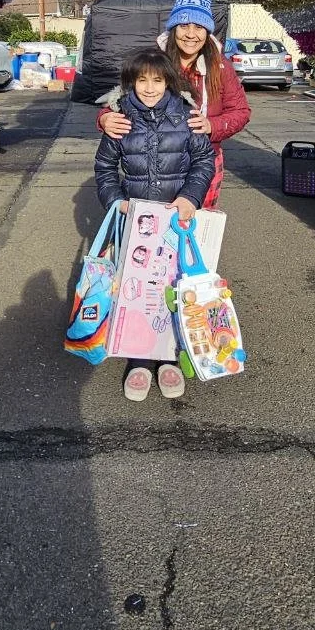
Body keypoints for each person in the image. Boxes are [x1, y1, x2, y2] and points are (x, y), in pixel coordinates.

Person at [95, 46, 215, 402]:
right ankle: (139, 359)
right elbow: (104, 169)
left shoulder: (186, 116)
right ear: (130, 83)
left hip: (176, 222)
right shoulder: (118, 119)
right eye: (142, 80)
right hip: (135, 225)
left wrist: (190, 198)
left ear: (169, 82)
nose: (149, 88)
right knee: (136, 292)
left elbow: (203, 162)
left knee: (174, 290)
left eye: (157, 80)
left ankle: (170, 357)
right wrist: (117, 202)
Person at [97, 0, 250, 207]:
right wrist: (104, 119)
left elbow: (241, 111)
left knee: (193, 228)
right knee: (150, 233)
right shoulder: (156, 60)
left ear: (207, 31)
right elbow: (123, 98)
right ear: (173, 27)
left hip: (203, 157)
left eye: (198, 27)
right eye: (184, 25)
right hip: (155, 161)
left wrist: (212, 126)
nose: (190, 34)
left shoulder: (220, 67)